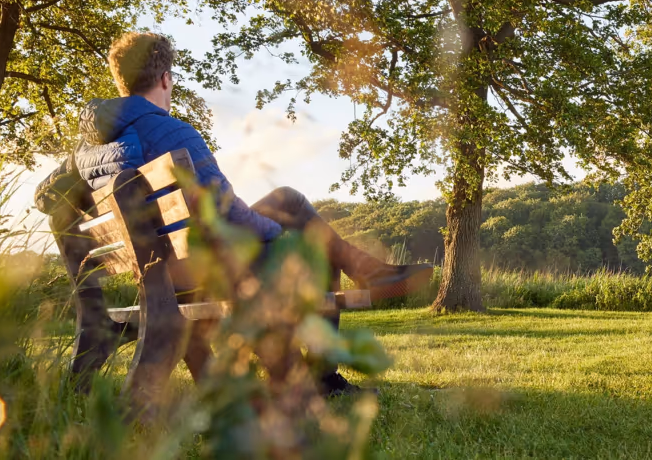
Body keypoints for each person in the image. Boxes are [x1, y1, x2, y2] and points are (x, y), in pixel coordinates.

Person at [37, 32, 428, 396]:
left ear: (122, 82)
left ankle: (367, 275)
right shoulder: (174, 134)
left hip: (161, 273)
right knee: (305, 226)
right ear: (166, 79)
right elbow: (230, 216)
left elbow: (44, 196)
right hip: (207, 271)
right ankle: (327, 363)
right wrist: (276, 232)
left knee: (288, 201)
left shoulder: (86, 151)